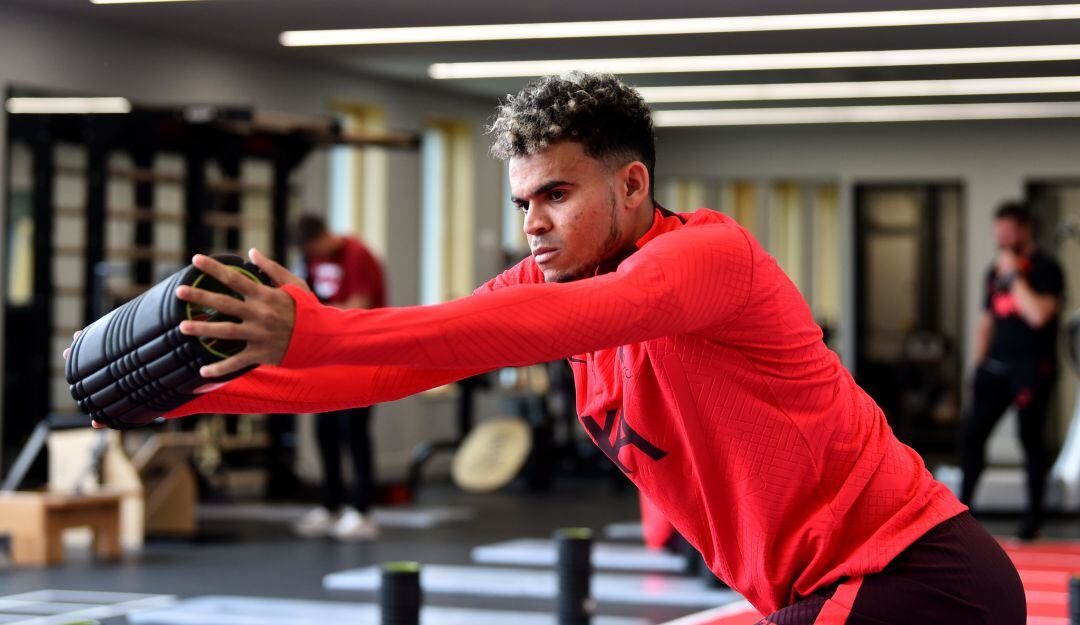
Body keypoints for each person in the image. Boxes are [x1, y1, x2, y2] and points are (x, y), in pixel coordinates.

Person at [85, 73, 1023, 623]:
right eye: (522, 201)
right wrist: (189, 396)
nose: (533, 223)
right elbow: (399, 363)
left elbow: (564, 323)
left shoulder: (707, 258)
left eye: (557, 196)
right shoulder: (549, 282)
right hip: (813, 592)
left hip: (915, 578)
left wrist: (325, 324)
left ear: (632, 184)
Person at [961, 201, 1064, 541]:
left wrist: (1014, 277)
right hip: (995, 369)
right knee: (973, 434)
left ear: (1025, 230)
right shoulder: (992, 273)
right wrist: (977, 366)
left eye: (1008, 233)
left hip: (1032, 369)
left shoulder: (1046, 268)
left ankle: (1033, 518)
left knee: (1030, 441)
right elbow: (986, 322)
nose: (1002, 240)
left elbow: (1038, 315)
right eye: (998, 233)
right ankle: (962, 514)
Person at [290, 215, 387, 541]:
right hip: (327, 356)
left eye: (315, 246)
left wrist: (318, 317)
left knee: (354, 430)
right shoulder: (310, 259)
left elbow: (359, 307)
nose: (314, 253)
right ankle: (331, 505)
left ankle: (362, 511)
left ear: (325, 235)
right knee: (325, 429)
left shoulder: (357, 254)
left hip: (361, 355)